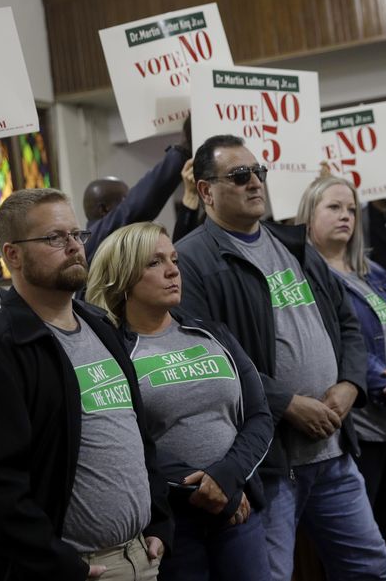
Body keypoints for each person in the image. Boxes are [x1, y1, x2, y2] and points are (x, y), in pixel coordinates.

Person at [176, 135, 386, 581]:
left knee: (369, 567)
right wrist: (287, 403)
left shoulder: (293, 244)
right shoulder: (192, 260)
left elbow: (347, 323)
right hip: (271, 463)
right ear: (206, 191)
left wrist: (350, 385)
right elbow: (208, 358)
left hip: (333, 449)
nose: (255, 182)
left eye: (259, 172)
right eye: (240, 176)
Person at [0, 188, 171, 581]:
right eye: (54, 238)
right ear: (12, 254)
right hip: (72, 570)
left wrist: (158, 523)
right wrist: (57, 562)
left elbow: (139, 435)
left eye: (76, 235)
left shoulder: (100, 326)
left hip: (140, 556)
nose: (73, 247)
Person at [86, 222, 274, 581]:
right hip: (172, 521)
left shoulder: (211, 333)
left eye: (173, 259)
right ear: (123, 276)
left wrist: (228, 478)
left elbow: (259, 415)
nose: (173, 270)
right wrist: (204, 489)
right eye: (154, 263)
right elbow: (129, 442)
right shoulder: (111, 352)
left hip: (237, 508)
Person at [296, 176, 386, 580]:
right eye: (333, 208)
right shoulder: (306, 276)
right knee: (354, 542)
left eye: (351, 209)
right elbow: (340, 344)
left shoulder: (372, 270)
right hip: (361, 424)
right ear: (308, 216)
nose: (346, 216)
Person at [83, 121, 191, 259]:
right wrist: (181, 152)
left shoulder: (126, 244)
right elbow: (134, 208)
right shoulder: (91, 242)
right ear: (104, 209)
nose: (130, 201)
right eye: (124, 200)